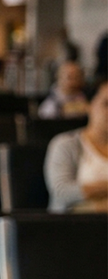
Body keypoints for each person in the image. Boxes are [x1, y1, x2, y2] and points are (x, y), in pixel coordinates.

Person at [45, 84, 108, 213]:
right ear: (89, 105)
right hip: (76, 224)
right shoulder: (65, 144)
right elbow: (62, 192)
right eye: (106, 104)